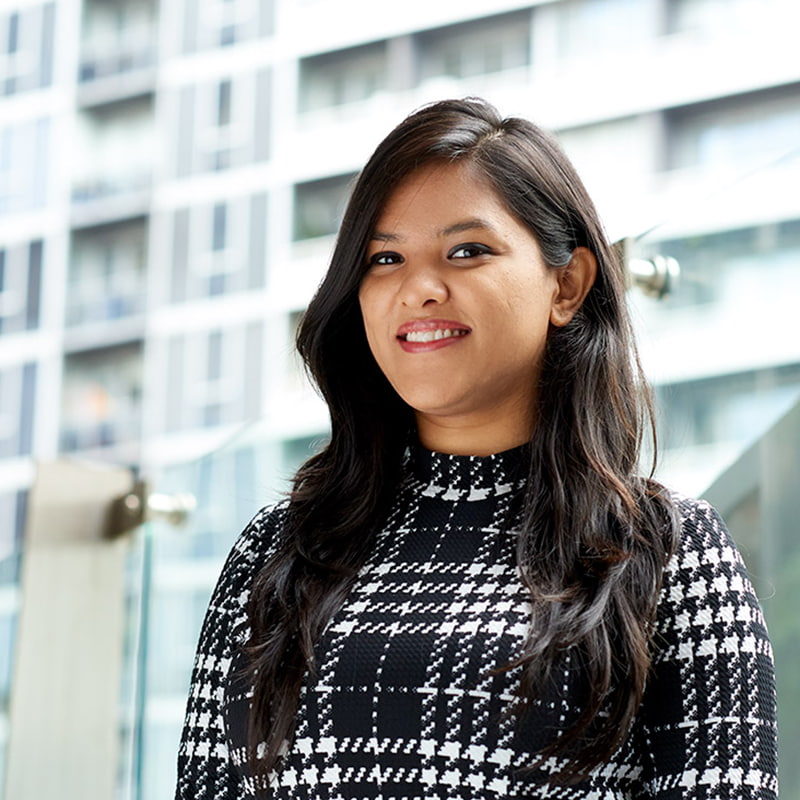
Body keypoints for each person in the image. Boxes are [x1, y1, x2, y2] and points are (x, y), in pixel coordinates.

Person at [175, 98, 778, 799]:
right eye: (385, 258)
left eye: (468, 251)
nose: (420, 288)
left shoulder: (670, 551)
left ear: (568, 283)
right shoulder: (276, 551)